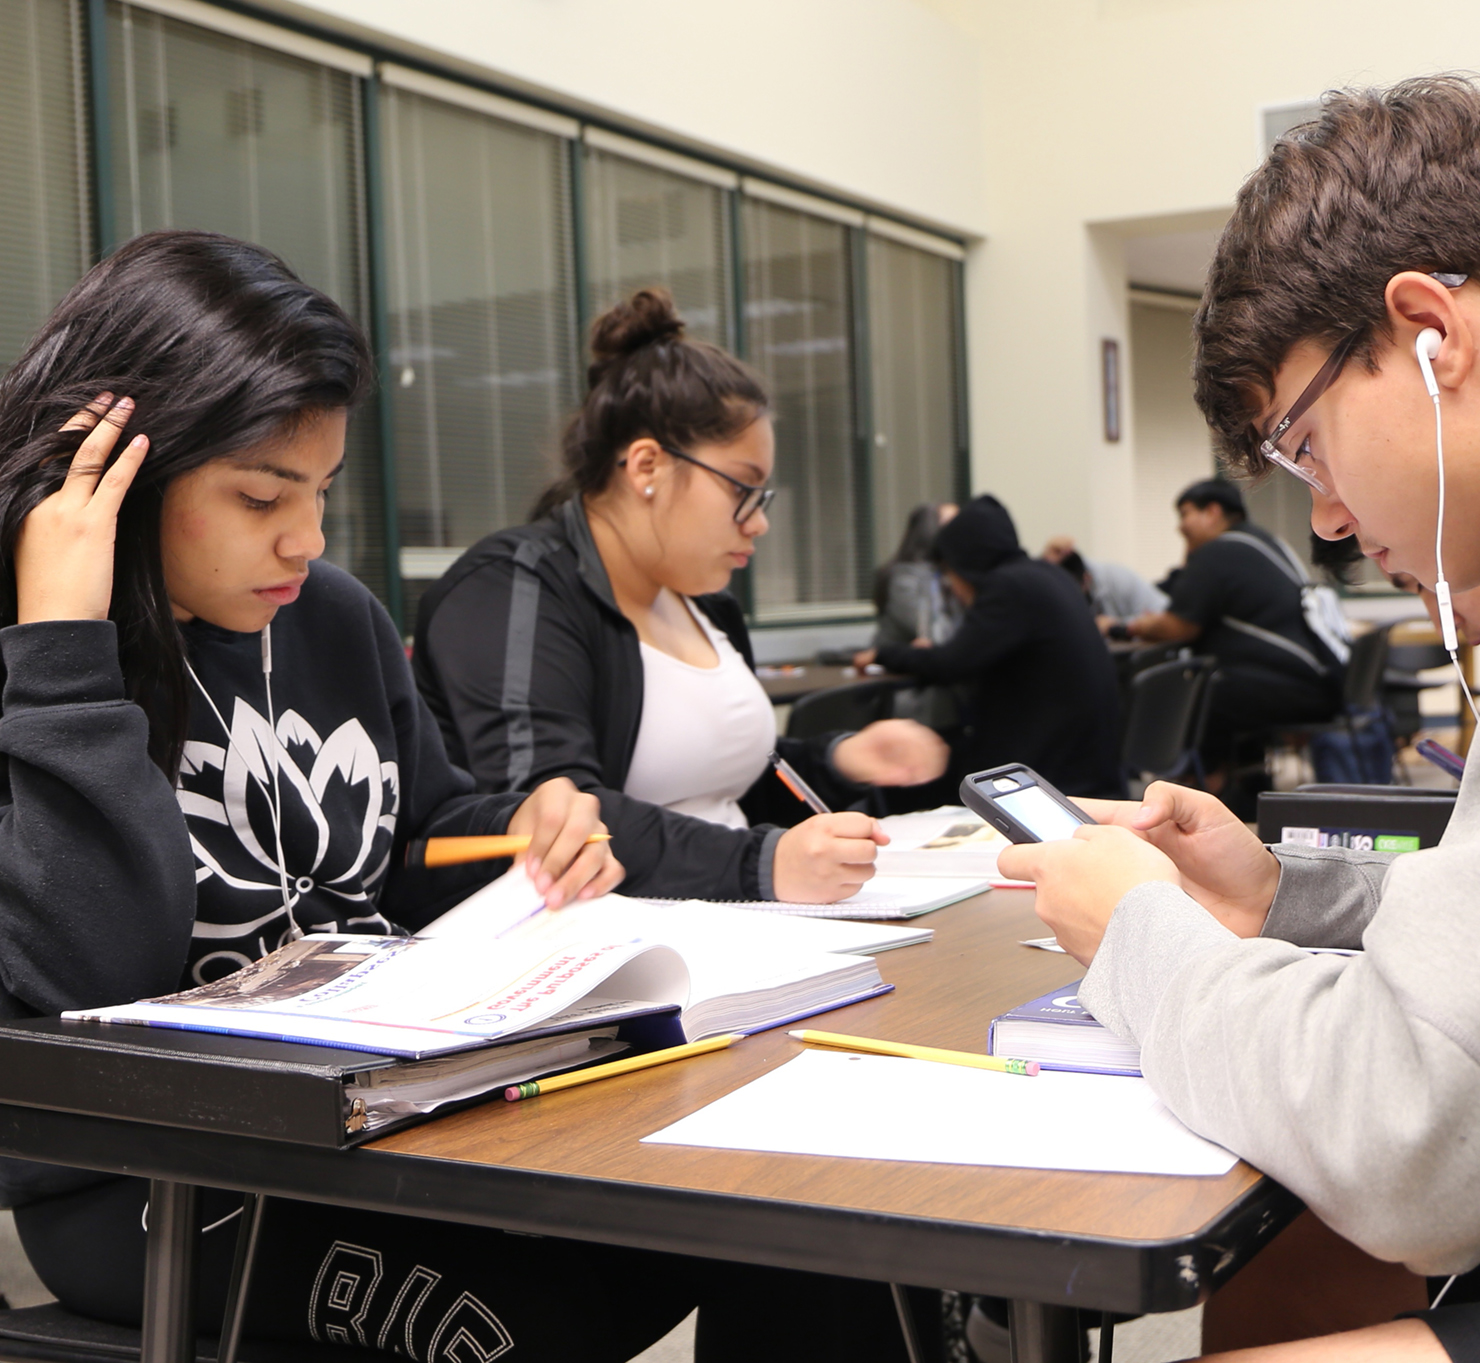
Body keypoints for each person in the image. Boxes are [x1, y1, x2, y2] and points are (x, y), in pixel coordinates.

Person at [0, 233, 915, 1362]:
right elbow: (79, 979)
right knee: (533, 1317)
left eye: (323, 490)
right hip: (155, 1180)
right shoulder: (40, 663)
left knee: (810, 1213)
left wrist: (523, 834)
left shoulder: (326, 616)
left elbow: (420, 836)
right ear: (116, 473)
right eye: (257, 495)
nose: (307, 538)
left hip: (390, 1113)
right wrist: (62, 650)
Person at [1000, 76, 1480, 1362]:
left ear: (1428, 330)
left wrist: (1131, 933)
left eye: (1304, 446)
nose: (1322, 518)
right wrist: (1277, 896)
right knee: (1303, 1257)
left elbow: (1404, 1135)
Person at [414, 289, 947, 906]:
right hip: (601, 950)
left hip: (737, 925)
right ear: (646, 467)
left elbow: (724, 786)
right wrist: (762, 865)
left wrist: (838, 758)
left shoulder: (704, 603)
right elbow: (554, 820)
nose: (758, 523)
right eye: (743, 489)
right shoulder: (513, 590)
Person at [859, 494, 1122, 797]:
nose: (953, 589)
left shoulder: (1007, 588)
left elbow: (949, 664)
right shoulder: (1047, 574)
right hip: (1087, 763)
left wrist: (882, 653)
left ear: (962, 563)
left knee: (909, 777)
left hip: (1048, 775)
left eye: (948, 574)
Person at [1127, 479, 1346, 798]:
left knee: (1195, 692)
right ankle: (1238, 781)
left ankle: (1204, 786)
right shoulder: (1264, 542)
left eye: (1185, 515)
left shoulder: (1218, 551)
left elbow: (1179, 627)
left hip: (1292, 690)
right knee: (1218, 686)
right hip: (1317, 683)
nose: (1180, 527)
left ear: (1212, 511)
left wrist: (1130, 627)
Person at [871, 501, 964, 729]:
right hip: (907, 695)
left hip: (937, 689)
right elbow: (935, 636)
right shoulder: (906, 579)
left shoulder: (948, 576)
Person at [1040, 533, 1167, 634]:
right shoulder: (1050, 589)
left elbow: (1165, 616)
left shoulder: (1118, 578)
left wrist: (1117, 625)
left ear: (1086, 579)